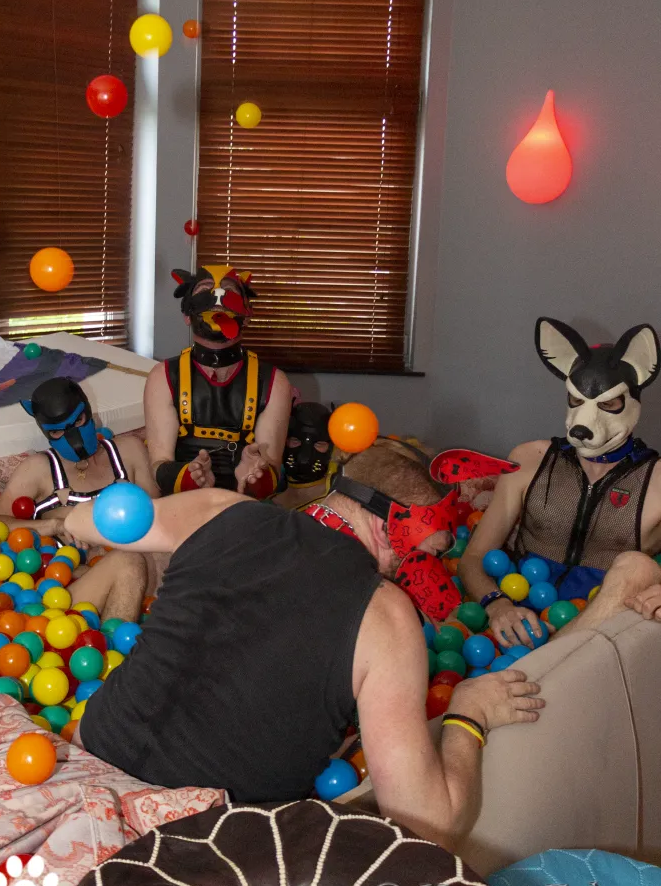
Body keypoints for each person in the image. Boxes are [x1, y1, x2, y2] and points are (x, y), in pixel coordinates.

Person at [62, 452, 544, 851]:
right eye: (426, 553)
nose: (420, 569)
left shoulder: (221, 508)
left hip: (86, 764)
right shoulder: (388, 616)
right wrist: (468, 713)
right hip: (197, 838)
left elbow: (83, 521)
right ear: (389, 528)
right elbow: (429, 827)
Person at [460, 317, 661, 648]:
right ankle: (542, 667)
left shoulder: (656, 479)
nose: (586, 420)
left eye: (609, 403)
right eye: (576, 400)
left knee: (639, 568)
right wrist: (498, 605)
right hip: (517, 619)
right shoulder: (530, 459)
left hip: (596, 638)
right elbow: (473, 558)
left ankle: (547, 664)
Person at [0, 377, 158, 620]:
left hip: (143, 580)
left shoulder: (128, 450)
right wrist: (53, 525)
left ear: (88, 411)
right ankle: (122, 644)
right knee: (128, 562)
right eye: (57, 431)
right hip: (69, 591)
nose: (74, 439)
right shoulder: (38, 469)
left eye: (78, 421)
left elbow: (160, 514)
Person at [144, 264, 292, 497]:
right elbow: (158, 465)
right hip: (182, 504)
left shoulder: (275, 382)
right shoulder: (162, 377)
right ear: (186, 315)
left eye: (228, 290)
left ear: (247, 314)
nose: (218, 295)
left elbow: (269, 472)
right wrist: (189, 477)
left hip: (243, 506)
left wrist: (256, 477)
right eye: (205, 289)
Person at [274, 400, 340, 510]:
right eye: (295, 441)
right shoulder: (267, 503)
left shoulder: (337, 507)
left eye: (319, 444)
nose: (304, 457)